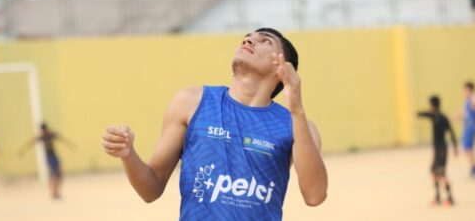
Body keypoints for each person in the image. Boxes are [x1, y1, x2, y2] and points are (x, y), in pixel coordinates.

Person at [102, 28, 328, 220]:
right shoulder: (191, 102)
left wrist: (297, 110)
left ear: (283, 68)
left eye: (265, 41)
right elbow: (151, 189)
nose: (249, 40)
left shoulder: (298, 125)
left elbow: (315, 195)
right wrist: (128, 154)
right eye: (248, 37)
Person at [417, 95, 458, 206]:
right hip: (439, 149)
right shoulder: (441, 116)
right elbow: (452, 132)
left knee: (441, 173)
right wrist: (455, 147)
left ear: (432, 105)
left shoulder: (436, 116)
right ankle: (438, 196)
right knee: (433, 171)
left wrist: (455, 148)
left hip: (441, 150)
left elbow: (420, 114)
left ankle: (450, 198)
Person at [19, 122, 75, 199]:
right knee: (55, 174)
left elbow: (62, 139)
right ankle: (54, 192)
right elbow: (31, 143)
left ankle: (56, 191)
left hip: (54, 156)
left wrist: (70, 145)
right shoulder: (42, 137)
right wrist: (23, 150)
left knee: (59, 174)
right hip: (49, 157)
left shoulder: (50, 135)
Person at [460, 81, 475, 178]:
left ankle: (474, 168)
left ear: (469, 89)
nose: (463, 91)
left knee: (468, 147)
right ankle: (474, 167)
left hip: (471, 125)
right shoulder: (467, 100)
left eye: (464, 89)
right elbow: (463, 113)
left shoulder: (474, 97)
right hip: (467, 125)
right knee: (467, 147)